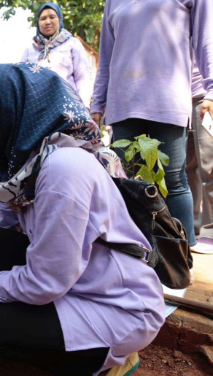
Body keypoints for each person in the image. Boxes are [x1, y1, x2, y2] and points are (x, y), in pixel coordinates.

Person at [0, 63, 165, 376]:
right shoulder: (17, 170)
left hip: (117, 306)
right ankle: (42, 338)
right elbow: (3, 238)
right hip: (79, 282)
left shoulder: (63, 170)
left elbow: (47, 281)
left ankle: (109, 358)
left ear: (4, 116)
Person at [91, 0, 213, 253]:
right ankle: (132, 256)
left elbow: (206, 40)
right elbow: (106, 58)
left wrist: (212, 90)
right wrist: (97, 105)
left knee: (174, 181)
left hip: (166, 100)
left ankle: (181, 258)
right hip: (123, 102)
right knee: (125, 183)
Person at [20, 2, 92, 108]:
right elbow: (21, 80)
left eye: (52, 17)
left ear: (59, 20)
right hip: (37, 108)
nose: (47, 21)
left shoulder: (72, 43)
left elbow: (82, 77)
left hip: (68, 107)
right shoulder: (30, 49)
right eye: (43, 18)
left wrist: (84, 106)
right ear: (38, 23)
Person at [186, 62, 213, 254]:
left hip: (205, 97)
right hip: (179, 98)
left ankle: (210, 232)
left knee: (208, 166)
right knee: (187, 168)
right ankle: (193, 228)